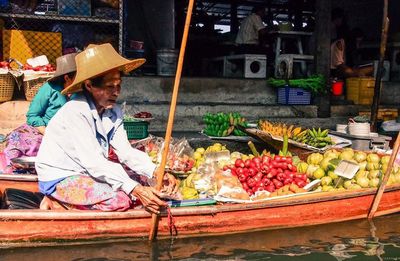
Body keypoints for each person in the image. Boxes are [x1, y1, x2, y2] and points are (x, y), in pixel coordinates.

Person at [36, 43, 177, 213]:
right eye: (110, 87)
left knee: (146, 181)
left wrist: (155, 171)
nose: (116, 92)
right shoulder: (76, 110)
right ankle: (56, 201)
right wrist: (136, 190)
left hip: (88, 172)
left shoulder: (113, 111)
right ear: (89, 86)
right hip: (61, 176)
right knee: (120, 200)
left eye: (119, 85)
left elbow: (125, 152)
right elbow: (94, 162)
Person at [3, 53, 77, 166]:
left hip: (68, 134)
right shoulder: (50, 88)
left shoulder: (83, 92)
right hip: (43, 130)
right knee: (20, 144)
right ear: (67, 78)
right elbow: (33, 115)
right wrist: (47, 133)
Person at [330, 8, 372, 79]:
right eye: (357, 42)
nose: (358, 45)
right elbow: (339, 66)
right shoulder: (340, 44)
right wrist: (355, 73)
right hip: (335, 72)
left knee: (372, 68)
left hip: (347, 70)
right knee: (349, 72)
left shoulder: (351, 49)